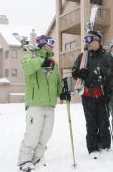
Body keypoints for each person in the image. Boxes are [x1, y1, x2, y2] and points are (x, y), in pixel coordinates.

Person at [17, 35, 69, 171]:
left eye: (54, 42)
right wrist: (41, 60)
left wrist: (62, 92)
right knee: (33, 134)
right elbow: (28, 68)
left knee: (45, 135)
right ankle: (25, 161)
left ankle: (37, 159)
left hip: (50, 105)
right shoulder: (30, 57)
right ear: (41, 44)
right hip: (35, 104)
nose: (52, 45)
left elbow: (56, 83)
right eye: (50, 42)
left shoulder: (53, 63)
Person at [72, 31, 113, 159]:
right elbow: (74, 71)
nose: (88, 43)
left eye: (91, 40)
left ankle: (105, 145)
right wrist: (79, 73)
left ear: (98, 41)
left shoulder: (107, 57)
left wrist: (109, 93)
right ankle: (93, 148)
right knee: (91, 123)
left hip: (102, 95)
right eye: (86, 41)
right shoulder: (83, 56)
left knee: (103, 122)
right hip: (87, 96)